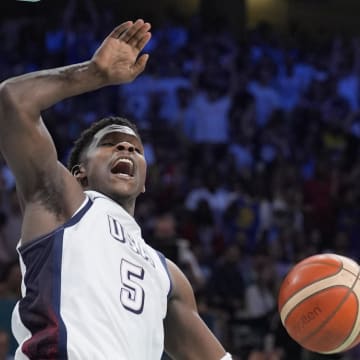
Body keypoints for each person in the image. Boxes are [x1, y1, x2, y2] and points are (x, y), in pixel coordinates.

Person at [0, 19, 232, 359]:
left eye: (136, 149)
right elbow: (12, 103)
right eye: (112, 144)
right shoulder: (64, 202)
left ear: (144, 182)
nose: (127, 150)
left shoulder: (168, 275)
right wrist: (93, 74)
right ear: (79, 173)